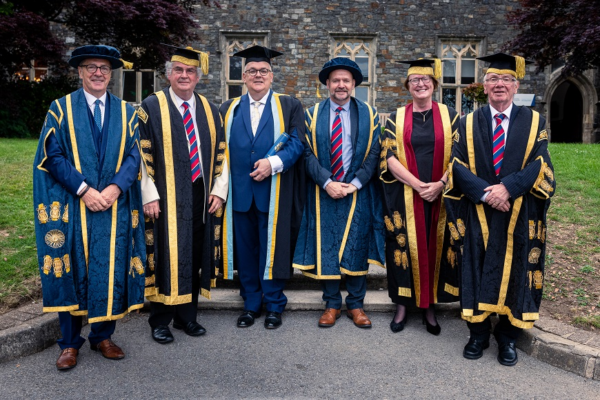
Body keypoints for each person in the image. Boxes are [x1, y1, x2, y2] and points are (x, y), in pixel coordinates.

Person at [33, 45, 145, 370]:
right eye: (91, 67)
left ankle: (103, 336)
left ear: (111, 74)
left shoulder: (127, 112)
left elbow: (134, 157)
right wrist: (84, 190)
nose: (98, 72)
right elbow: (52, 156)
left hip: (113, 204)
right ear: (79, 71)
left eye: (104, 68)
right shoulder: (60, 108)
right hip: (75, 204)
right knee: (72, 268)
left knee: (108, 267)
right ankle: (69, 343)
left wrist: (113, 189)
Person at [443, 53, 555, 366]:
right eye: (493, 79)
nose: (500, 85)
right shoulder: (466, 122)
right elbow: (457, 164)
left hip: (518, 210)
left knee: (517, 269)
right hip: (478, 211)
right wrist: (486, 193)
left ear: (516, 85)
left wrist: (509, 188)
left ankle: (507, 338)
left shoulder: (535, 122)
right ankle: (477, 334)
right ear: (484, 85)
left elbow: (540, 163)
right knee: (475, 266)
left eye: (506, 79)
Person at [138, 46, 228, 344]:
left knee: (193, 253)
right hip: (164, 196)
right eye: (179, 70)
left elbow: (222, 154)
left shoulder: (210, 109)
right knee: (166, 253)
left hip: (200, 194)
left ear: (198, 77)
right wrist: (148, 193)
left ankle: (187, 318)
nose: (185, 75)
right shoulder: (151, 106)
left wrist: (219, 189)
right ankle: (160, 320)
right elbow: (139, 153)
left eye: (190, 71)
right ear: (169, 75)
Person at [293, 57, 385, 329]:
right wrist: (327, 182)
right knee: (328, 248)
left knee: (356, 246)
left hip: (358, 191)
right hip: (324, 192)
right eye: (335, 81)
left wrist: (355, 183)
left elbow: (375, 153)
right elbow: (306, 153)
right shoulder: (311, 115)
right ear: (327, 85)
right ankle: (332, 303)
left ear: (354, 83)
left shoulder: (369, 114)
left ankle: (356, 305)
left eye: (346, 80)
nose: (341, 85)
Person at [220, 45, 305, 329]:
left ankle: (274, 304)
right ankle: (251, 304)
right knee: (245, 251)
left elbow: (297, 143)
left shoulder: (289, 105)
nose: (258, 75)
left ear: (272, 75)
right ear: (243, 76)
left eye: (264, 71)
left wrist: (274, 162)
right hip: (240, 194)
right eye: (252, 71)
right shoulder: (228, 108)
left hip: (274, 191)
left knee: (273, 249)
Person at [379, 59, 460, 335]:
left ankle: (430, 307)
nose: (421, 84)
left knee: (435, 246)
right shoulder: (396, 117)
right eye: (415, 80)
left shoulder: (451, 116)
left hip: (441, 195)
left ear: (434, 85)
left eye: (426, 80)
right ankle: (402, 304)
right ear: (408, 86)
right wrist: (417, 184)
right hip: (405, 195)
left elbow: (461, 157)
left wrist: (439, 183)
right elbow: (388, 157)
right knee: (402, 246)